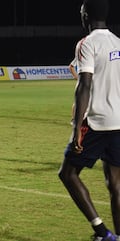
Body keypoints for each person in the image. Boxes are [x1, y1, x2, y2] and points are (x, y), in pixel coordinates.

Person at [58, 0, 120, 240]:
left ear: (85, 16)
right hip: (118, 121)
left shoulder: (87, 43)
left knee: (68, 173)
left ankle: (102, 231)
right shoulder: (117, 42)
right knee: (115, 184)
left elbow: (84, 85)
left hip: (96, 122)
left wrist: (76, 130)